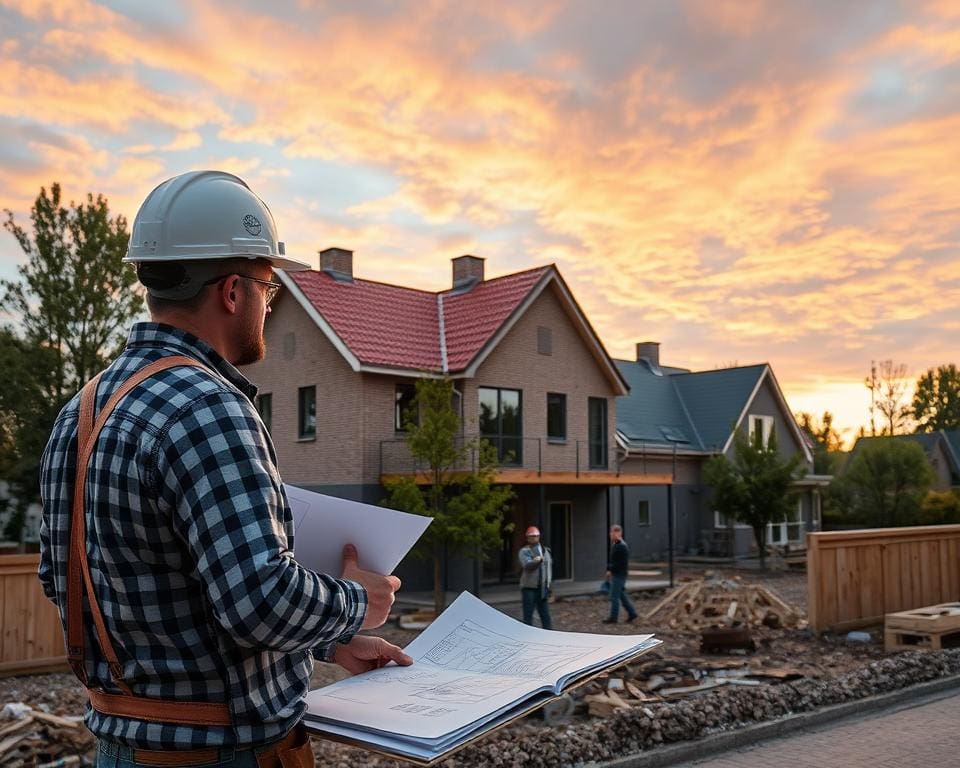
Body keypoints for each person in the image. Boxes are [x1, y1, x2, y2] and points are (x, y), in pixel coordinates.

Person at [38, 170, 410, 767]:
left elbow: (63, 581)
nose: (269, 304)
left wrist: (330, 641)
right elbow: (257, 602)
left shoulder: (79, 415)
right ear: (232, 291)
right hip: (228, 754)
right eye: (269, 288)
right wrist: (356, 603)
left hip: (121, 750)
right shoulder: (209, 407)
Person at [518, 525, 552, 629]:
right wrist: (537, 561)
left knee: (546, 616)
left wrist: (548, 585)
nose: (533, 538)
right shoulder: (524, 551)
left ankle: (549, 636)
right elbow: (527, 566)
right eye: (531, 536)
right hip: (529, 588)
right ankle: (527, 636)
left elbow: (548, 569)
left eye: (536, 536)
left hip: (542, 588)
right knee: (528, 616)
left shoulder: (546, 551)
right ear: (527, 538)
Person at [603, 524, 638, 624]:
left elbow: (619, 562)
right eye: (610, 532)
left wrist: (610, 570)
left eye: (612, 532)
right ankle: (632, 613)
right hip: (619, 573)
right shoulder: (618, 545)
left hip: (619, 574)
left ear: (618, 533)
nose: (610, 534)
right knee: (621, 596)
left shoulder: (620, 546)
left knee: (614, 597)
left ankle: (613, 617)